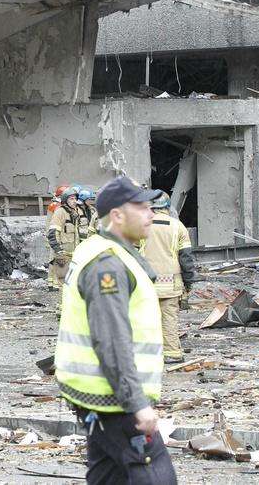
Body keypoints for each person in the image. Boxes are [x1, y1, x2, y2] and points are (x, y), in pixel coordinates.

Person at [54, 176, 178, 484]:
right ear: (118, 216)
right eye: (142, 207)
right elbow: (111, 340)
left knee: (109, 476)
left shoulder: (104, 251)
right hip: (111, 399)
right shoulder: (107, 264)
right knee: (156, 476)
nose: (151, 213)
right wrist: (136, 403)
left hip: (96, 394)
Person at [139, 192, 195, 363]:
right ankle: (172, 354)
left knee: (146, 318)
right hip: (171, 283)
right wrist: (189, 281)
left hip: (147, 282)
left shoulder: (141, 225)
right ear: (167, 207)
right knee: (169, 318)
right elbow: (185, 257)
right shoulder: (178, 226)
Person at [46, 187, 87, 289]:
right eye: (71, 199)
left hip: (75, 251)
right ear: (65, 200)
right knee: (63, 282)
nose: (74, 201)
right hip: (63, 251)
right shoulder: (60, 212)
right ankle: (62, 304)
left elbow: (82, 231)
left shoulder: (78, 212)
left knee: (74, 282)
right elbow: (53, 232)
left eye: (75, 199)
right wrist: (58, 249)